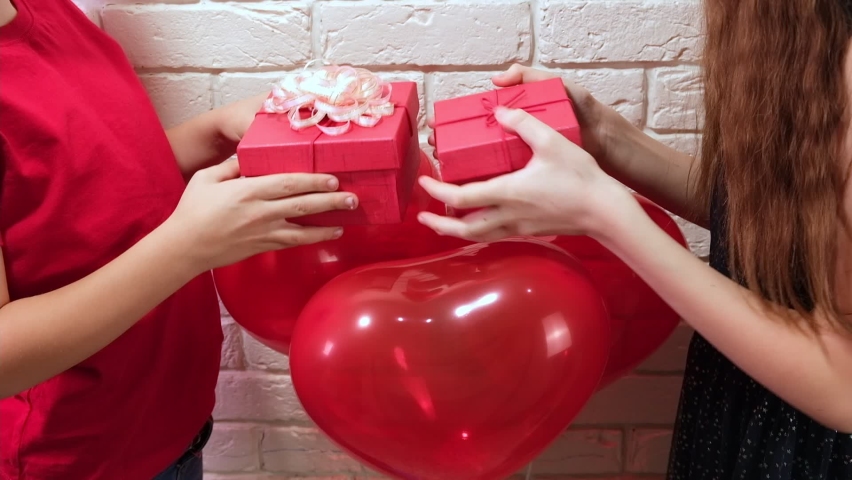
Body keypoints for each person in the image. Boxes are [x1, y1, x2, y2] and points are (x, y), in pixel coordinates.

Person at [419, 1, 852, 479]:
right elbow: (772, 220)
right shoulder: (811, 46)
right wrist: (603, 132)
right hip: (751, 401)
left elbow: (843, 387)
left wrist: (604, 214)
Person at [0, 0, 359, 478]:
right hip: (82, 458)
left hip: (166, 426)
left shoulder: (47, 10)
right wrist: (188, 246)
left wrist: (210, 135)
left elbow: (71, 186)